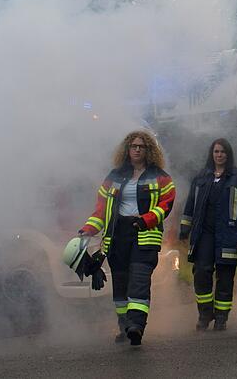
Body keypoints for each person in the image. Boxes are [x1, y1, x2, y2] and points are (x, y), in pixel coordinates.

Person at [78, 130, 176, 346]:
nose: (137, 149)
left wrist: (147, 219)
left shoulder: (160, 177)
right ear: (127, 149)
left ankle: (137, 327)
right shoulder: (113, 177)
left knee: (139, 281)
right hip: (117, 235)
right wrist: (87, 230)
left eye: (142, 146)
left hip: (144, 233)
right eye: (134, 146)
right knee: (121, 284)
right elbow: (101, 211)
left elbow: (166, 204)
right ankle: (124, 326)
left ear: (149, 150)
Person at [179, 138, 237, 331]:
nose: (219, 155)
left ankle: (221, 316)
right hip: (204, 232)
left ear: (228, 155)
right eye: (216, 151)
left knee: (225, 275)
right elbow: (190, 203)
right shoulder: (201, 178)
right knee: (201, 271)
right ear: (211, 154)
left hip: (228, 233)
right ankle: (205, 313)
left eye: (222, 152)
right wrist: (185, 227)